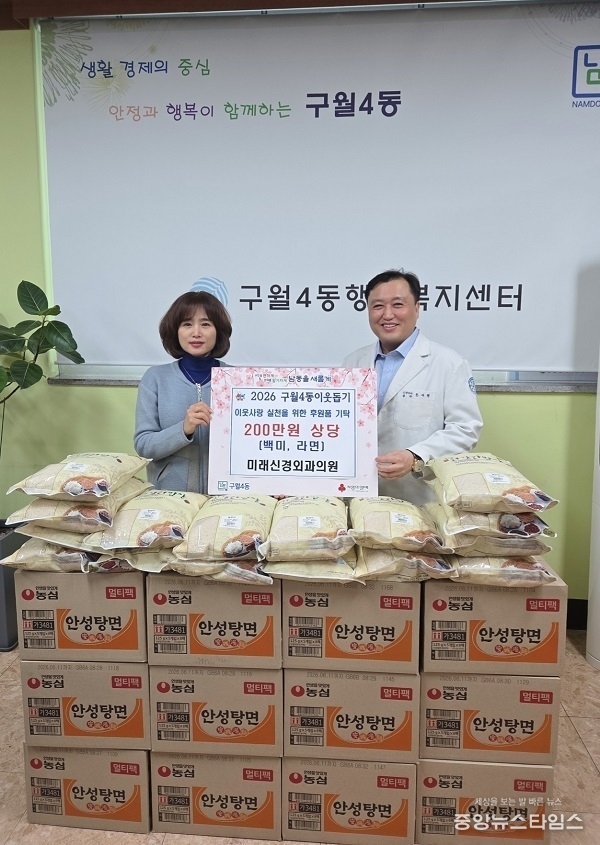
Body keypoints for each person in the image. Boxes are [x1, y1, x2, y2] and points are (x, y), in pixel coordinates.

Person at [342, 269, 483, 505]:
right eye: (378, 306)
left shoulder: (448, 363)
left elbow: (465, 430)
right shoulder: (352, 362)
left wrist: (415, 456)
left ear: (417, 308)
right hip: (359, 498)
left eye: (398, 304)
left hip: (419, 498)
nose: (387, 314)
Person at [134, 290, 232, 493]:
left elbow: (253, 444)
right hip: (170, 498)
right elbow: (144, 446)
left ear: (218, 330)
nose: (196, 332)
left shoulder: (237, 380)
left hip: (226, 498)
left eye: (205, 324)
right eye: (187, 324)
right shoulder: (155, 378)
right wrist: (184, 429)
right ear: (175, 330)